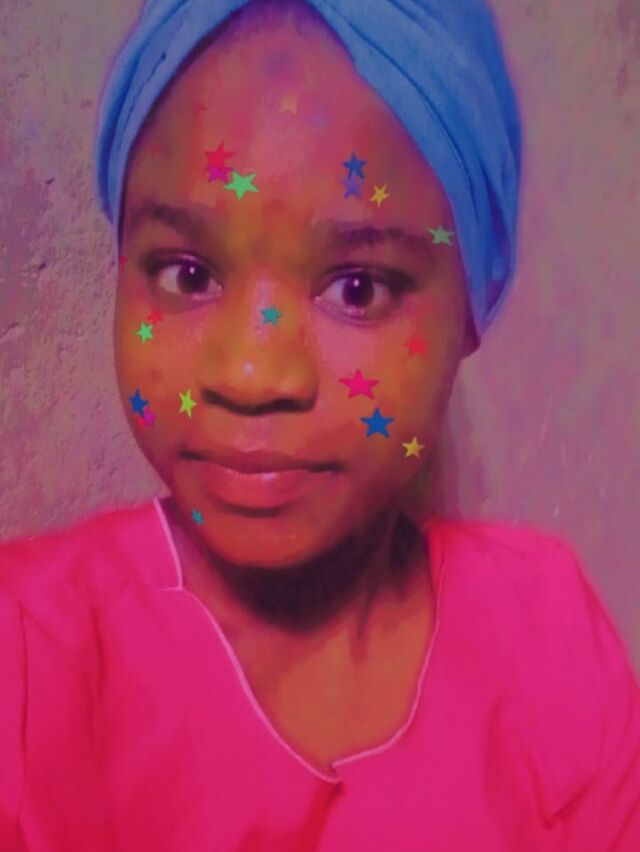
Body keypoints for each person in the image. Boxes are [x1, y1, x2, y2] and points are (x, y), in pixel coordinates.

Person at [1, 0, 639, 849]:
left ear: (470, 307)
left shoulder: (546, 640)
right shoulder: (27, 664)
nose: (254, 375)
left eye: (358, 289)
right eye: (187, 274)